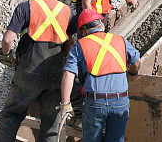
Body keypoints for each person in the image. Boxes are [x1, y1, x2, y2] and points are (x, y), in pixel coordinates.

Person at [0, 0, 77, 142]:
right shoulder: (67, 12)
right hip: (55, 75)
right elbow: (70, 44)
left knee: (11, 115)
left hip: (28, 73)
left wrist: (5, 55)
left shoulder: (25, 7)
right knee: (50, 125)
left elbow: (8, 40)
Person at [59, 8, 140, 142]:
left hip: (96, 102)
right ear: (101, 24)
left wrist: (66, 103)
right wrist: (132, 72)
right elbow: (136, 62)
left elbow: (68, 74)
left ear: (83, 31)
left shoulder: (79, 46)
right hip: (120, 101)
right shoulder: (120, 40)